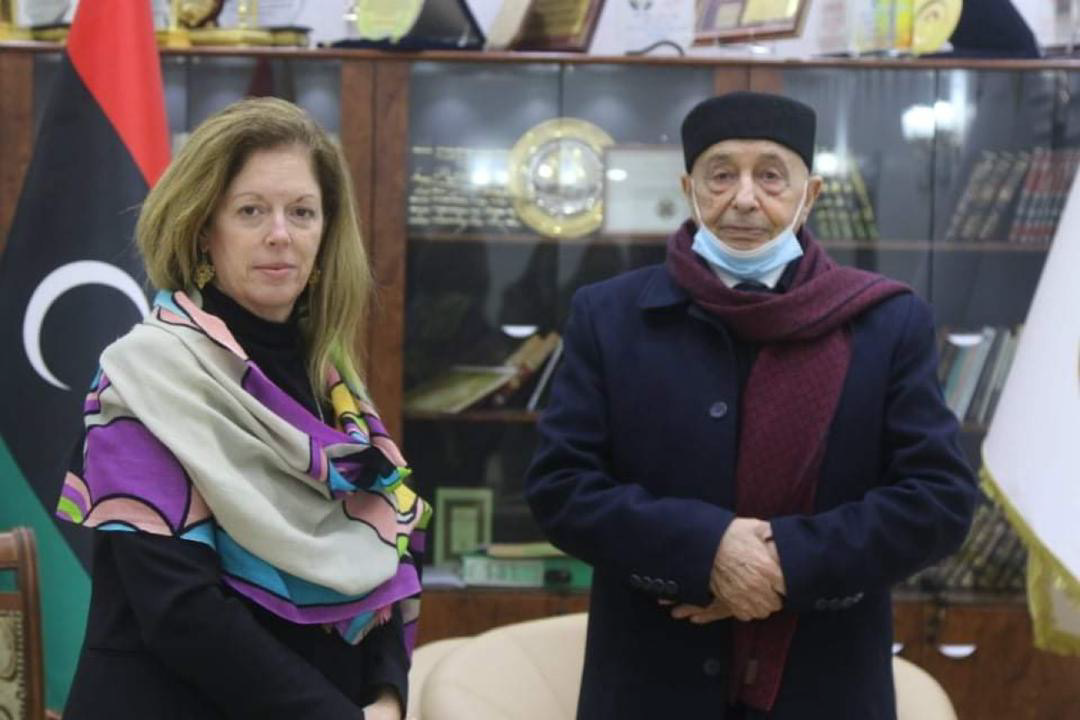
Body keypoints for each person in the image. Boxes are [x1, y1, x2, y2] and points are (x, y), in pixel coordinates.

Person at [525, 91, 977, 719]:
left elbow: (937, 500)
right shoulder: (610, 316)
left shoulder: (886, 322)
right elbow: (561, 487)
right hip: (650, 686)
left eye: (770, 176)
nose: (743, 198)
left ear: (809, 195)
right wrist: (707, 550)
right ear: (688, 189)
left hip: (825, 689)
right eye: (720, 175)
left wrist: (785, 561)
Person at [55, 97, 429, 720]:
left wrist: (387, 697)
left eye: (302, 211)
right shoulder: (146, 378)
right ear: (204, 229)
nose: (280, 234)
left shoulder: (335, 385)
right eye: (251, 210)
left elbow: (390, 548)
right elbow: (182, 613)